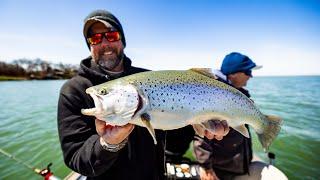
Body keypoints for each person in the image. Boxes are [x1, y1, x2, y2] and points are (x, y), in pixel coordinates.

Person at [57, 10, 167, 179]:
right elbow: (75, 157)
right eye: (95, 39)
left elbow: (173, 137)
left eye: (112, 35)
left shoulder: (151, 78)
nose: (105, 43)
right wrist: (108, 144)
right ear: (90, 46)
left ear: (122, 40)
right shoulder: (73, 90)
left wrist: (197, 123)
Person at [193, 52, 265, 180]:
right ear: (233, 73)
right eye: (247, 72)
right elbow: (202, 135)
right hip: (220, 170)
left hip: (236, 166)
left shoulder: (239, 93)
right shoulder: (215, 94)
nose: (250, 76)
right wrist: (206, 167)